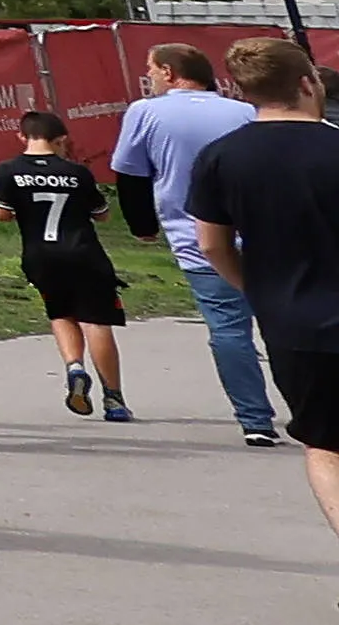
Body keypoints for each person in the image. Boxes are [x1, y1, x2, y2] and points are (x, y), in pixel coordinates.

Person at [185, 35, 339, 548]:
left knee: (324, 444)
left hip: (292, 322)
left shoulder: (221, 157)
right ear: (306, 82)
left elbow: (211, 245)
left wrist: (258, 287)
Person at [114, 42, 279, 447]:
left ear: (169, 72)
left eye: (151, 70)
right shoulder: (243, 111)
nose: (149, 78)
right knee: (283, 323)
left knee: (228, 328)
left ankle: (255, 419)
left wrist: (142, 225)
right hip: (264, 232)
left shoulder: (145, 112)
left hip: (196, 236)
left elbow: (130, 175)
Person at [0, 106, 132, 419]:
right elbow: (102, 215)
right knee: (96, 320)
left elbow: (0, 213)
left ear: (21, 135)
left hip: (41, 256)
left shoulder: (8, 169)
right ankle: (114, 399)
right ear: (61, 139)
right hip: (84, 254)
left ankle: (75, 367)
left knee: (60, 312)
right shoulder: (77, 172)